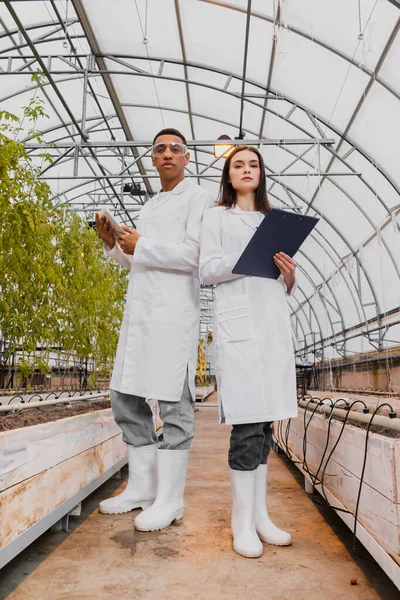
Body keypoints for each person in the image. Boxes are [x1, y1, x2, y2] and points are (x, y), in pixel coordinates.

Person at [95, 128, 214, 532]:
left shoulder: (199, 198)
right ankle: (142, 489)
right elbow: (138, 261)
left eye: (175, 149)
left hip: (173, 316)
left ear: (187, 158)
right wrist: (114, 245)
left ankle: (170, 499)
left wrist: (141, 244)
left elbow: (196, 255)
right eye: (160, 149)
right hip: (141, 315)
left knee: (174, 404)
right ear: (151, 158)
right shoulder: (150, 205)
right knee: (124, 395)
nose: (167, 154)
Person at [199, 146, 298, 558]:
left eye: (252, 164)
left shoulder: (273, 222)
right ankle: (241, 524)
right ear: (228, 174)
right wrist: (249, 260)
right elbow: (207, 270)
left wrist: (289, 276)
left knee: (266, 427)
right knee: (246, 425)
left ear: (261, 174)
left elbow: (279, 285)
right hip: (239, 332)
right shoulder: (216, 216)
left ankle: (260, 516)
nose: (246, 170)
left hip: (271, 327)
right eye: (238, 165)